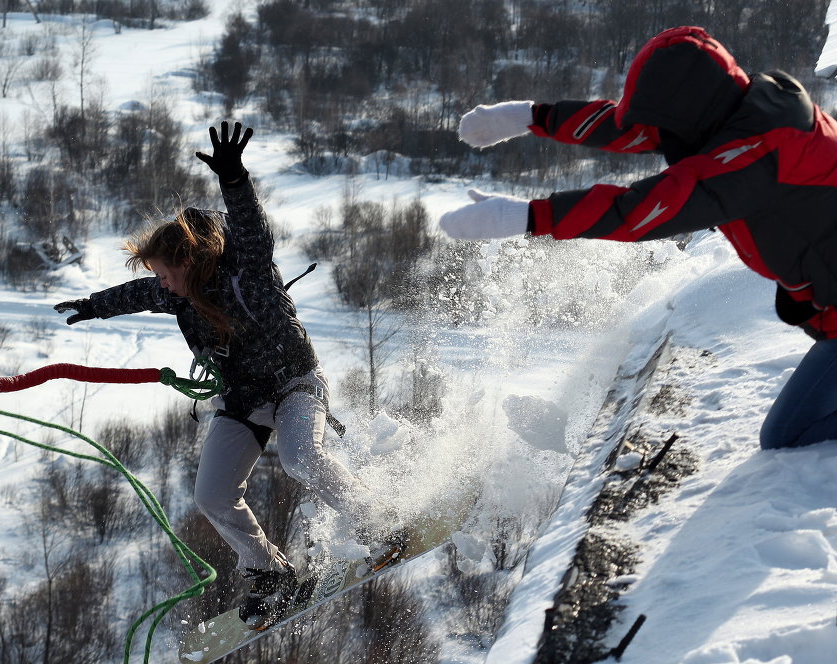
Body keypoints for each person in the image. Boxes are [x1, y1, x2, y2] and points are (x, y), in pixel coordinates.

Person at [54, 122, 395, 628]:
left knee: (302, 457)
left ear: (188, 260)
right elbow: (133, 295)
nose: (160, 285)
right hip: (241, 399)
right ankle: (270, 572)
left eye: (164, 273)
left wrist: (234, 178)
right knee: (211, 494)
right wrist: (91, 305)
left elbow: (251, 225)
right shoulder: (173, 292)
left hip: (293, 381)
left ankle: (378, 522)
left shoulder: (245, 268)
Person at [440, 26, 837, 451]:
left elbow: (639, 212)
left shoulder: (753, 155)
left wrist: (525, 217)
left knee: (788, 435)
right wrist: (530, 117)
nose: (660, 138)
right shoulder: (754, 103)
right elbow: (635, 127)